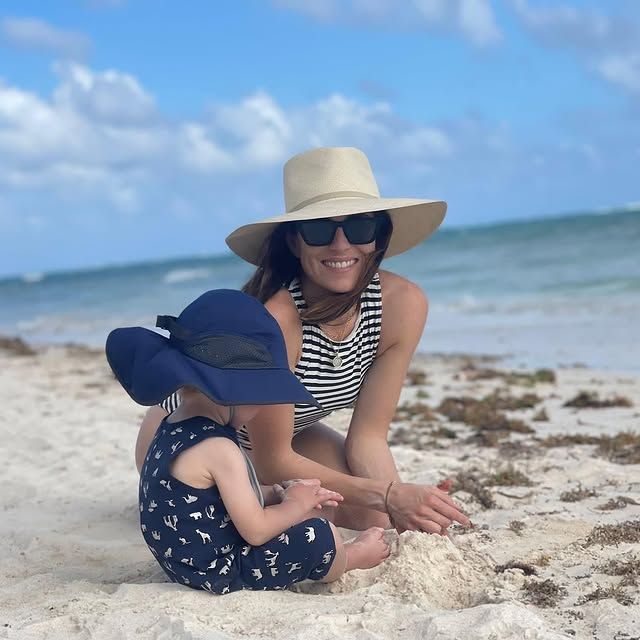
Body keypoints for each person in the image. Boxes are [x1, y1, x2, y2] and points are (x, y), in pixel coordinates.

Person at [138, 146, 470, 536]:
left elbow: (368, 437)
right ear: (294, 242)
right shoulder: (276, 322)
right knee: (280, 519)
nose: (341, 245)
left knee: (374, 520)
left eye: (360, 226)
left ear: (379, 236)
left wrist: (401, 507)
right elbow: (272, 460)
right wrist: (389, 494)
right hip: (194, 440)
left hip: (286, 439)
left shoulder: (404, 306)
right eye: (319, 229)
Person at [106, 289, 390, 594]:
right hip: (219, 571)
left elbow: (213, 498)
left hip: (183, 562)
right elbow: (256, 531)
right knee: (321, 534)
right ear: (235, 391)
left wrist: (280, 493)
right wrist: (295, 505)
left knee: (308, 510)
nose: (261, 409)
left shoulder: (172, 424)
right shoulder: (220, 449)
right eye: (261, 396)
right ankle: (351, 558)